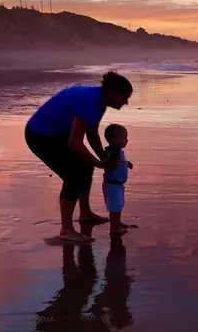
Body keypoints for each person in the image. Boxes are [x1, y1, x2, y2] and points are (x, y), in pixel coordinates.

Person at [25, 71, 132, 243]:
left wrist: (103, 159)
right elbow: (75, 142)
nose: (126, 102)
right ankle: (66, 229)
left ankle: (85, 213)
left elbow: (92, 134)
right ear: (113, 93)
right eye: (124, 97)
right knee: (74, 173)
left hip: (57, 134)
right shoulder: (90, 102)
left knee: (85, 165)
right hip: (40, 135)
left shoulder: (99, 102)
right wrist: (98, 162)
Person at [101, 123, 134, 235]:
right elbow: (106, 164)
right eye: (124, 138)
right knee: (115, 206)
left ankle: (117, 222)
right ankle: (114, 227)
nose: (126, 140)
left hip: (117, 184)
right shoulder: (111, 152)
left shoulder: (118, 151)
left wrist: (126, 163)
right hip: (112, 185)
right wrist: (112, 163)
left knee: (118, 205)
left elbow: (119, 161)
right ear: (114, 140)